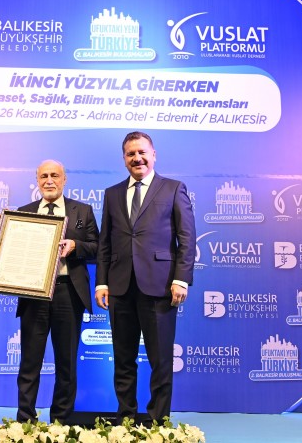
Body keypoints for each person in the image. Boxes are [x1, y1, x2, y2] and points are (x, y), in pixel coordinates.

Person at [95, 131, 195, 424]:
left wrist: (181, 278)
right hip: (120, 287)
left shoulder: (173, 189)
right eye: (131, 154)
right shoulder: (112, 194)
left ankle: (158, 422)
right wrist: (102, 282)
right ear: (124, 159)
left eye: (142, 152)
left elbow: (187, 238)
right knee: (123, 359)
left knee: (160, 360)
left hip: (160, 286)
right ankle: (125, 419)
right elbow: (105, 243)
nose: (137, 158)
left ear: (153, 155)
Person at [15, 160, 99, 423]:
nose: (49, 180)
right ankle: (25, 422)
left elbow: (98, 248)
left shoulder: (82, 210)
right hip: (34, 295)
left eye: (54, 175)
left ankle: (61, 421)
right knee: (29, 362)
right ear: (37, 180)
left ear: (64, 180)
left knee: (66, 363)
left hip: (68, 293)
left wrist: (76, 246)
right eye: (44, 176)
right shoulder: (23, 212)